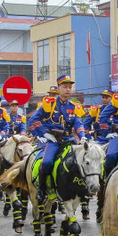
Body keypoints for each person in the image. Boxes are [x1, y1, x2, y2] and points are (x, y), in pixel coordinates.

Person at [28, 74, 85, 207]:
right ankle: (42, 189)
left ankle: (81, 188)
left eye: (70, 87)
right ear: (58, 88)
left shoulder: (74, 106)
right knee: (47, 162)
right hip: (53, 139)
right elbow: (33, 120)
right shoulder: (49, 104)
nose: (68, 89)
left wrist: (82, 136)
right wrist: (44, 134)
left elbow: (78, 122)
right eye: (65, 87)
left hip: (69, 139)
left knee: (82, 160)